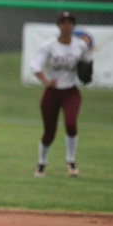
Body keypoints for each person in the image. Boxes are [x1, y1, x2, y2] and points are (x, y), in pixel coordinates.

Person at [30, 11, 92, 178]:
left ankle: (70, 161)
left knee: (71, 124)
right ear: (59, 26)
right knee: (49, 132)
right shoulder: (49, 45)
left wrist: (86, 73)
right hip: (52, 92)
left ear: (73, 25)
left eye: (70, 22)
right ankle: (42, 162)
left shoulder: (79, 45)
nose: (66, 26)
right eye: (63, 22)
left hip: (71, 91)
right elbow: (35, 65)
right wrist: (46, 80)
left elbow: (87, 63)